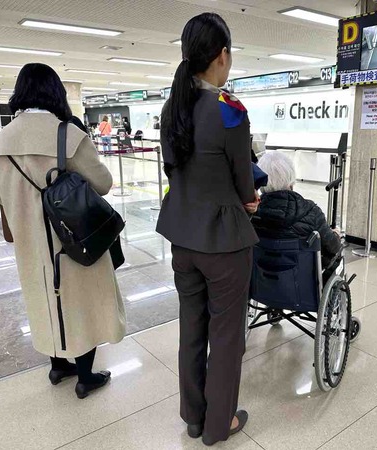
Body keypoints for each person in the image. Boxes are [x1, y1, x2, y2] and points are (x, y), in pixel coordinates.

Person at [0, 63, 126, 399]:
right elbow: (103, 183)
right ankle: (85, 376)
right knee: (82, 303)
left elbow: (3, 198)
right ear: (55, 92)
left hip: (29, 243)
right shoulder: (69, 136)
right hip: (72, 238)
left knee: (45, 300)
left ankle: (58, 366)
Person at [156, 12, 259, 446]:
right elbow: (244, 182)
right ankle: (219, 425)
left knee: (192, 328)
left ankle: (194, 417)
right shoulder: (230, 111)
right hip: (224, 243)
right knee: (227, 335)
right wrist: (249, 199)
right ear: (222, 55)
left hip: (182, 238)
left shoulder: (171, 109)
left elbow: (172, 169)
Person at [253, 152, 343, 282]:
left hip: (261, 281)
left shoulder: (252, 214)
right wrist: (336, 235)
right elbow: (333, 247)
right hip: (302, 283)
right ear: (291, 180)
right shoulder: (311, 211)